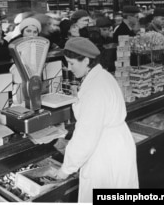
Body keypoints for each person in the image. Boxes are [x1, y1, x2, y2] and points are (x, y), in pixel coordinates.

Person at [51, 37, 139, 202]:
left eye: (71, 63)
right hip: (117, 145)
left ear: (86, 60)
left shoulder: (95, 88)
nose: (69, 68)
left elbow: (86, 136)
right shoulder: (102, 76)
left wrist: (66, 169)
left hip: (105, 152)